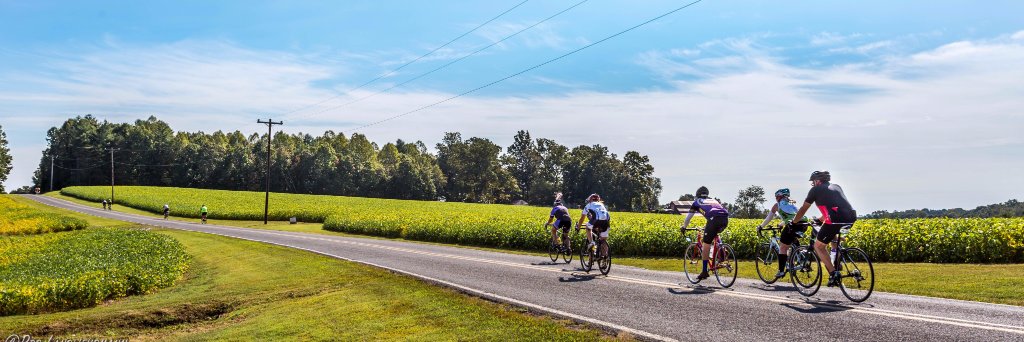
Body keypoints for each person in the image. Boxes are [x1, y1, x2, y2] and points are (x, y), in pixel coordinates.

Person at [790, 171, 857, 287]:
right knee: (833, 238)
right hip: (850, 218)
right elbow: (835, 206)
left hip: (835, 220)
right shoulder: (836, 187)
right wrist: (820, 219)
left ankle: (833, 274)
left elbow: (803, 208)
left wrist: (794, 222)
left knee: (818, 246)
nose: (813, 184)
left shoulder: (815, 190)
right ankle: (837, 262)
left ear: (817, 181)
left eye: (813, 182)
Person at [756, 188, 811, 279]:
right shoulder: (792, 203)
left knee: (782, 247)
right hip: (804, 223)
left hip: (793, 224)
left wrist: (761, 227)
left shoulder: (777, 205)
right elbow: (791, 216)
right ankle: (798, 258)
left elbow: (768, 218)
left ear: (779, 197)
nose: (776, 199)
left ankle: (781, 271)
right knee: (792, 240)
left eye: (776, 197)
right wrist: (781, 224)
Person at [679, 186, 730, 281]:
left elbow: (688, 218)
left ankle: (704, 271)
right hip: (725, 219)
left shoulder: (696, 202)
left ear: (697, 195)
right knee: (714, 234)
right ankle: (721, 253)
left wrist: (684, 227)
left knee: (706, 245)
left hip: (713, 219)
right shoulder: (713, 200)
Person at [575, 193, 610, 259]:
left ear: (589, 200)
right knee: (603, 240)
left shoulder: (588, 205)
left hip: (596, 221)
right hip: (606, 221)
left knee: (588, 228)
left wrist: (578, 227)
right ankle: (605, 257)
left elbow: (582, 219)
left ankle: (591, 243)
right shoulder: (602, 205)